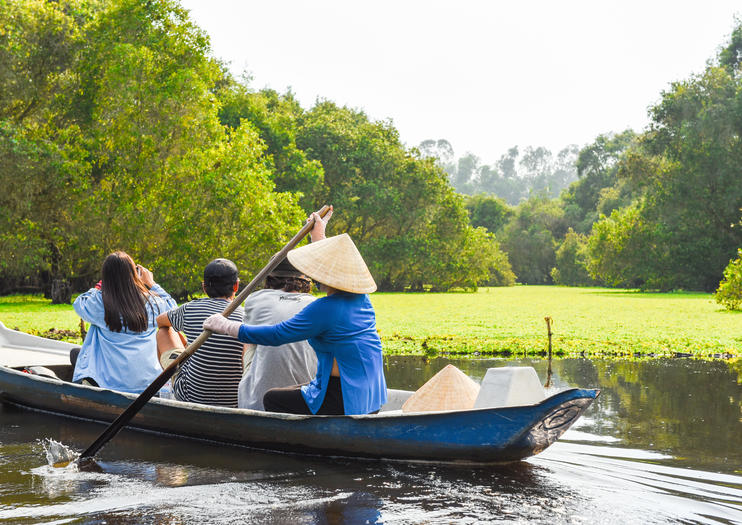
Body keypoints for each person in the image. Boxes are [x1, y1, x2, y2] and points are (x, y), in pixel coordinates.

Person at [205, 212, 387, 416]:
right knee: (296, 389)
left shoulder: (326, 308)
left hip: (347, 396)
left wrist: (225, 326)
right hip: (372, 394)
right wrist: (318, 235)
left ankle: (299, 442)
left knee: (272, 398)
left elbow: (276, 335)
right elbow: (332, 264)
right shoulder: (362, 299)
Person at [73, 251, 177, 393]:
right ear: (134, 274)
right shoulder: (153, 303)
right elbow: (173, 308)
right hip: (146, 384)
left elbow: (79, 303)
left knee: (77, 352)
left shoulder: (98, 302)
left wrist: (99, 286)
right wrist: (151, 283)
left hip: (106, 383)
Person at [156, 258, 245, 407]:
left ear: (204, 287)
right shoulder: (245, 316)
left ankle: (169, 385)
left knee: (163, 332)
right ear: (236, 286)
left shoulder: (190, 308)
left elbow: (160, 322)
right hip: (234, 400)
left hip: (190, 396)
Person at [237, 258, 318, 410]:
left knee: (250, 341)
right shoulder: (315, 303)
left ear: (270, 277)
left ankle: (250, 384)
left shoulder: (255, 299)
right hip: (305, 400)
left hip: (255, 403)